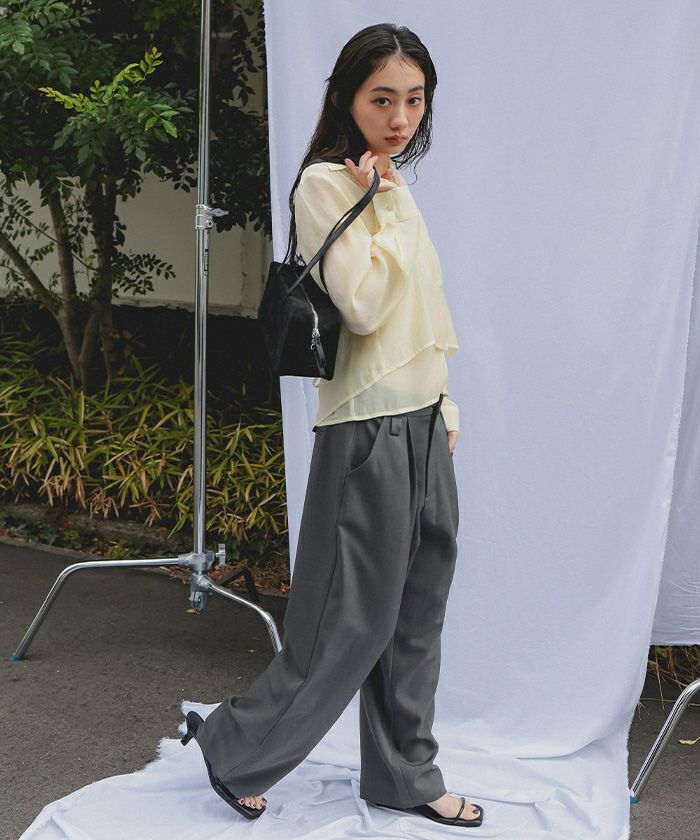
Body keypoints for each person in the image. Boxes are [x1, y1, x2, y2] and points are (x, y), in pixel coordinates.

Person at [181, 22, 485, 829]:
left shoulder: (390, 184)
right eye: (382, 98)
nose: (400, 117)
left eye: (414, 99)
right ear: (347, 98)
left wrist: (446, 405)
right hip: (367, 431)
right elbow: (367, 307)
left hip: (423, 423)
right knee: (346, 622)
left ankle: (405, 777)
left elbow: (424, 310)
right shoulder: (327, 184)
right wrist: (381, 206)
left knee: (414, 620)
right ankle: (235, 747)